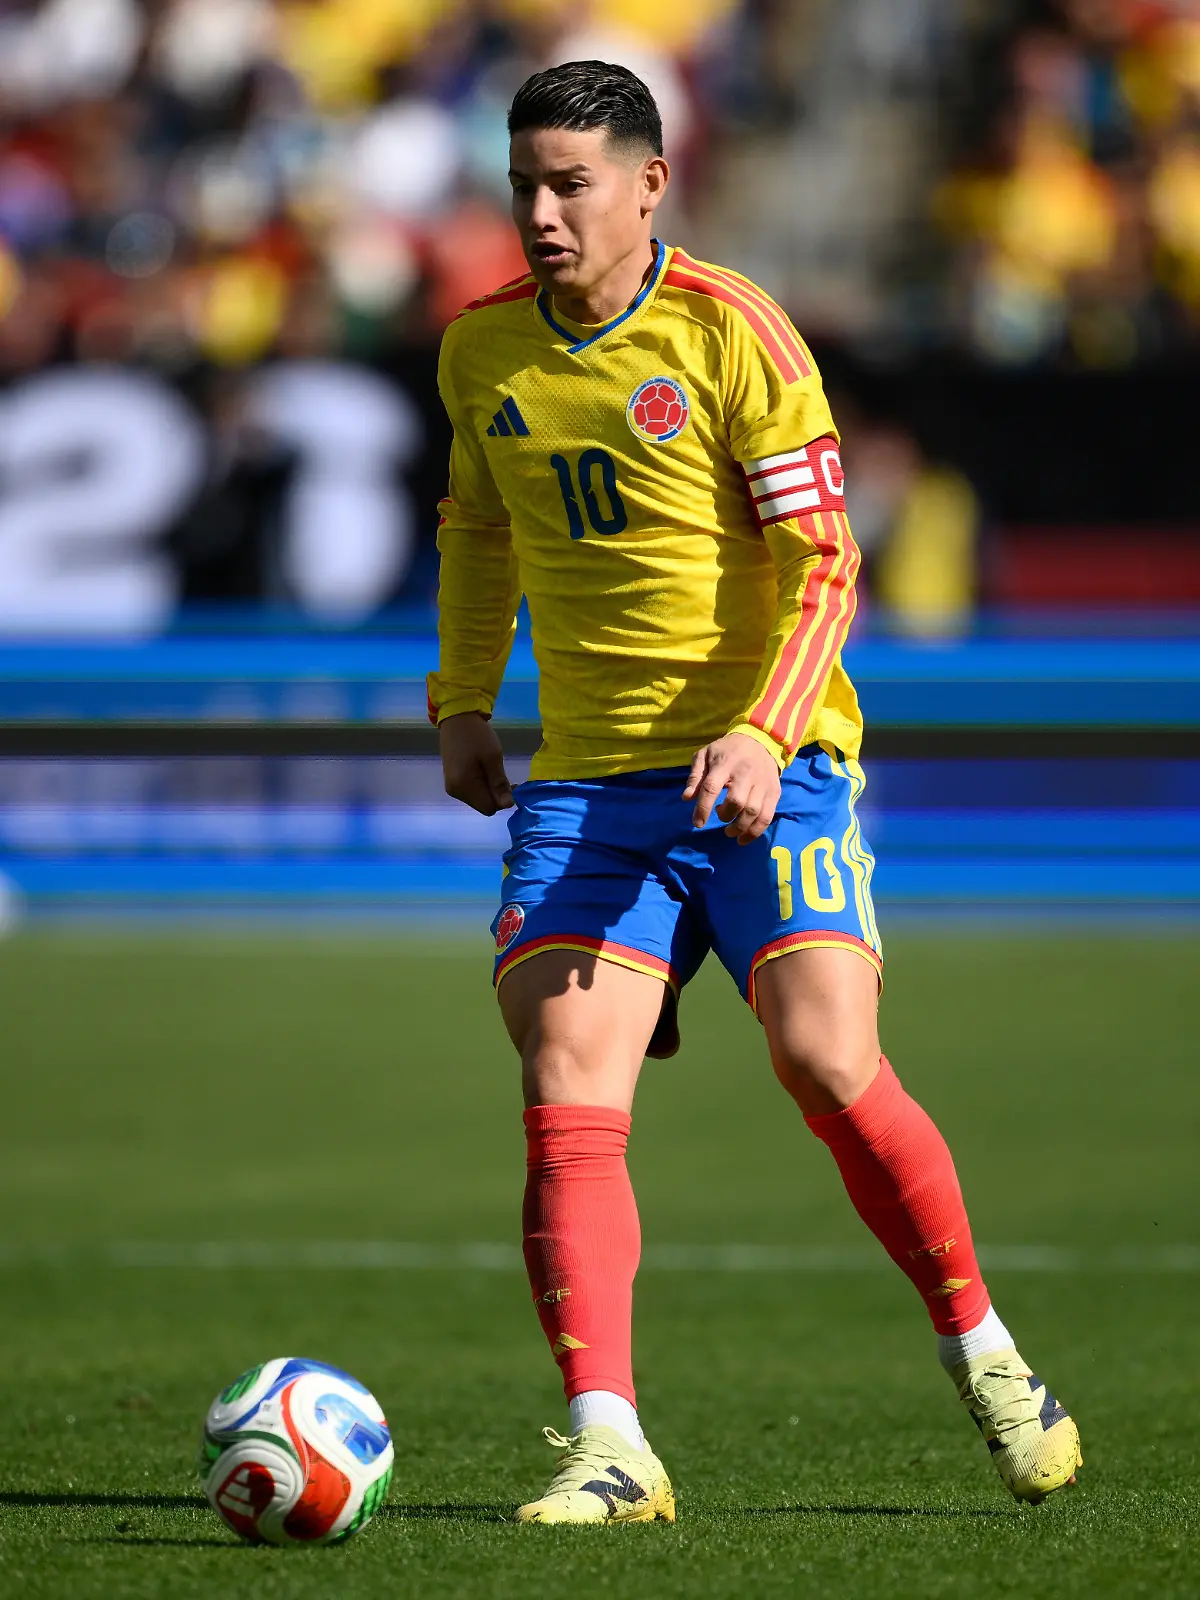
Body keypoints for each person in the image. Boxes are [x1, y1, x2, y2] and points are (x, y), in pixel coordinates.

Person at [428, 59, 1082, 1525]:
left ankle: (984, 1348)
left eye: (570, 184)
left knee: (826, 1062)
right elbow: (478, 530)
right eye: (524, 182)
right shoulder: (481, 352)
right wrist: (463, 701)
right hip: (591, 784)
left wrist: (769, 733)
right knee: (564, 1095)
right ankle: (612, 1443)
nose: (541, 212)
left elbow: (825, 561)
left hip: (766, 772)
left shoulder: (735, 334)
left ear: (650, 186)